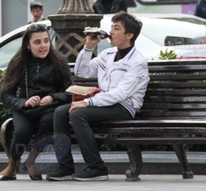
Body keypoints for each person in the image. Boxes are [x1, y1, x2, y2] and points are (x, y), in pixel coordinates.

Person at [48, 12, 149, 182]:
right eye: (111, 27)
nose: (111, 32)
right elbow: (82, 71)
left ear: (129, 35)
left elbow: (121, 94)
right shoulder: (107, 55)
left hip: (124, 107)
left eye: (116, 28)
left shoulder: (137, 62)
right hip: (104, 104)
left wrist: (88, 102)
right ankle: (65, 166)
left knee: (77, 114)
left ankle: (96, 167)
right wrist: (88, 47)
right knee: (60, 112)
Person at [0, 22, 72, 181]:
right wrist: (24, 102)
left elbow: (69, 92)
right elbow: (6, 95)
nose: (43, 46)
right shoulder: (18, 62)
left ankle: (31, 161)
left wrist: (53, 97)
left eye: (46, 41)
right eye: (37, 42)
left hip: (49, 108)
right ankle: (12, 165)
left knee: (48, 121)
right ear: (28, 45)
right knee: (22, 131)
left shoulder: (59, 60)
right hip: (25, 108)